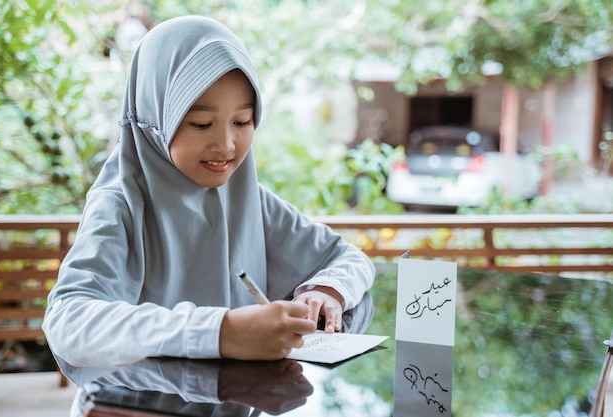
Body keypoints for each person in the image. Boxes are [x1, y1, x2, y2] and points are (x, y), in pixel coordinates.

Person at [42, 15, 375, 377]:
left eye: (243, 121)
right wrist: (220, 332)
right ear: (156, 118)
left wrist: (328, 289)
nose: (226, 145)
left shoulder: (245, 197)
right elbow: (68, 320)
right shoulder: (120, 204)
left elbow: (347, 256)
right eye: (201, 124)